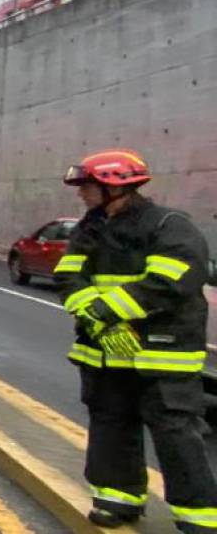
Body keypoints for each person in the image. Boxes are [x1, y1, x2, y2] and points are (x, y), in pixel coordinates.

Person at [54, 149, 217, 531]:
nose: (82, 193)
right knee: (111, 424)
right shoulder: (90, 229)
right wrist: (95, 317)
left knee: (176, 434)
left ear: (114, 188)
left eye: (88, 186)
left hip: (162, 353)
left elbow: (171, 280)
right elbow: (68, 276)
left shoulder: (169, 226)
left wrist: (109, 310)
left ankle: (200, 516)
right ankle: (117, 500)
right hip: (106, 350)